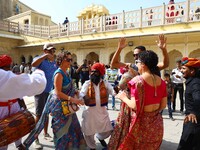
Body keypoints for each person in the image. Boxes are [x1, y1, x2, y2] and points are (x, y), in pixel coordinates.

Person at [24, 51, 86, 150]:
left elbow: (69, 88)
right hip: (60, 109)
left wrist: (77, 93)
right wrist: (74, 99)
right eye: (68, 60)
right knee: (61, 133)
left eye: (71, 59)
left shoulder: (66, 72)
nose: (70, 62)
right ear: (61, 61)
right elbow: (58, 93)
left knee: (71, 131)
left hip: (68, 108)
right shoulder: (59, 74)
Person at [108, 50, 167, 149]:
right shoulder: (161, 81)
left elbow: (135, 105)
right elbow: (163, 105)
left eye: (138, 62)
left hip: (141, 124)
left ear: (143, 64)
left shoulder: (137, 81)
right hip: (156, 124)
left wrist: (123, 98)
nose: (137, 65)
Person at [0, 55, 46, 150]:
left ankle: (19, 144)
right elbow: (37, 84)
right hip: (3, 110)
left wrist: (23, 106)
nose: (10, 69)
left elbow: (18, 95)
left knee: (15, 129)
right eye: (8, 66)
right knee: (4, 134)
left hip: (13, 107)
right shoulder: (5, 76)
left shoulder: (8, 76)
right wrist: (38, 72)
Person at [79, 63, 116, 150]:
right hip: (90, 112)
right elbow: (81, 94)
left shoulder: (105, 83)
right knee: (89, 132)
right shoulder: (87, 83)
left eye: (95, 72)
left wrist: (119, 90)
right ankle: (92, 147)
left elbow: (113, 92)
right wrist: (84, 97)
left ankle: (100, 137)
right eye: (91, 71)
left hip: (102, 112)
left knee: (108, 129)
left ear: (100, 73)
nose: (92, 73)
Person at [31, 43, 58, 148]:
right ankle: (35, 138)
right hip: (39, 91)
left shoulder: (53, 62)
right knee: (39, 114)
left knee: (46, 113)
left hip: (49, 91)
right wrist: (45, 56)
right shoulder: (40, 59)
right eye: (50, 50)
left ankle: (46, 133)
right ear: (45, 50)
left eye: (53, 51)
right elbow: (33, 64)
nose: (52, 52)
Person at [177, 57, 200, 149]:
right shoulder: (192, 81)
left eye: (183, 68)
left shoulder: (195, 83)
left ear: (192, 71)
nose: (181, 70)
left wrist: (193, 113)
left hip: (193, 121)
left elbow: (198, 99)